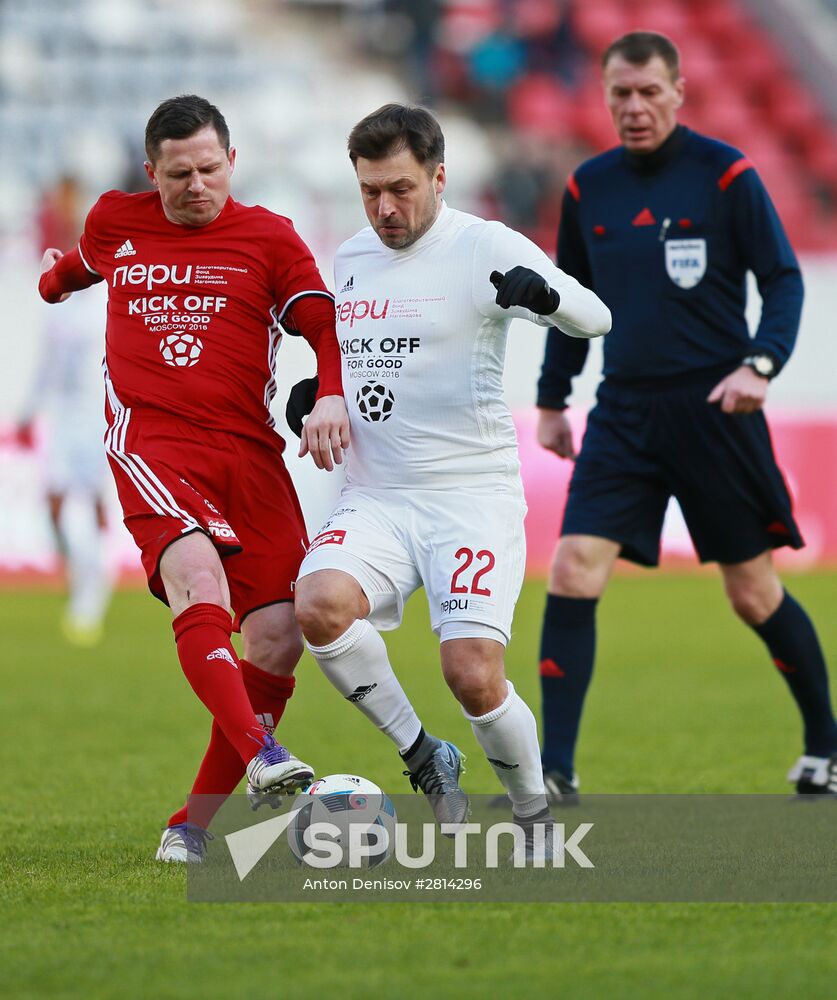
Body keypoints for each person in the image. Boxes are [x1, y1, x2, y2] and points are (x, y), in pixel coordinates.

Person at [291, 103, 611, 860]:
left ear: (438, 176)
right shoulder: (351, 257)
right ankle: (420, 754)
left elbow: (594, 317)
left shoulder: (484, 246)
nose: (384, 208)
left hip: (469, 496)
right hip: (376, 493)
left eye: (400, 188)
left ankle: (533, 814)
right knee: (319, 606)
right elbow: (356, 362)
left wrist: (545, 296)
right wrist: (313, 396)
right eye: (369, 190)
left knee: (470, 673)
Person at [38, 95, 350, 862]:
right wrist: (53, 282)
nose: (196, 185)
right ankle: (264, 756)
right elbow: (75, 270)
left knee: (278, 637)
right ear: (153, 172)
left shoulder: (269, 237)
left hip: (250, 454)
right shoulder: (117, 220)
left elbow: (320, 320)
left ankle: (190, 826)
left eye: (210, 169)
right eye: (179, 174)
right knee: (198, 580)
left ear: (231, 163)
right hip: (153, 444)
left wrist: (333, 391)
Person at [533, 32, 836, 803]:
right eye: (619, 95)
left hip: (714, 407)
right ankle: (554, 772)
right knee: (571, 568)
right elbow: (569, 303)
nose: (633, 108)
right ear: (603, 98)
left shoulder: (725, 174)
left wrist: (760, 363)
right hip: (623, 412)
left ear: (677, 94)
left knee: (752, 593)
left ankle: (824, 747)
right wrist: (551, 398)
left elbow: (783, 280)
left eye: (647, 93)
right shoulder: (586, 187)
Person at [19, 177, 112, 646]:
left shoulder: (106, 300)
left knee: (93, 501)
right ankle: (78, 572)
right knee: (54, 504)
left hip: (98, 416)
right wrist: (27, 411)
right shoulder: (57, 301)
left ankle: (92, 592)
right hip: (64, 416)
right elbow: (46, 365)